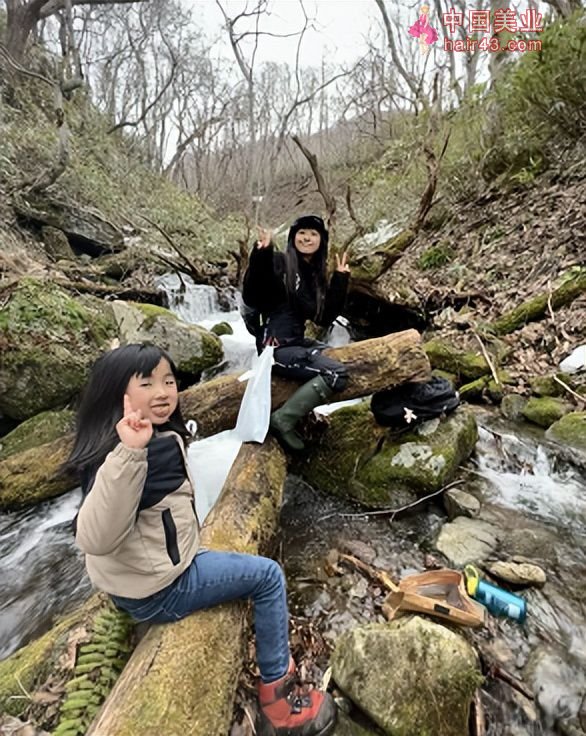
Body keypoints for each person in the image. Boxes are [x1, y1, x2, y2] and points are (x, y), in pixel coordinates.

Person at [64, 343, 336, 736]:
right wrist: (131, 454)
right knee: (268, 577)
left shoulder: (118, 439)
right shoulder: (135, 452)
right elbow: (93, 536)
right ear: (117, 395)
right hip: (159, 590)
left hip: (139, 575)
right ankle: (278, 703)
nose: (163, 392)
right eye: (147, 383)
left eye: (169, 381)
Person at [242, 215, 350, 451]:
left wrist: (340, 279)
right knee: (336, 374)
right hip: (276, 348)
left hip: (296, 342)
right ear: (293, 238)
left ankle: (302, 414)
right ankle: (283, 420)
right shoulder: (279, 262)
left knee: (337, 355)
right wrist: (261, 254)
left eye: (313, 234)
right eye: (302, 233)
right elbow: (254, 292)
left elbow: (322, 317)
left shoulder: (314, 275)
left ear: (321, 241)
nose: (307, 237)